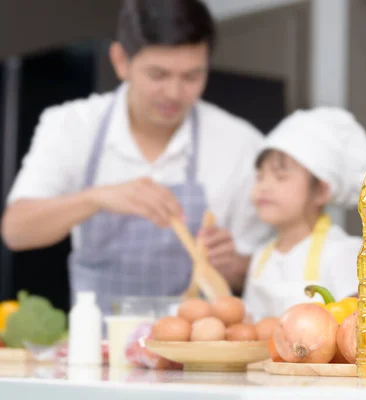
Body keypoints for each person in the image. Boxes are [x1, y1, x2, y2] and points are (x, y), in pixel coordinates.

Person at [1, 0, 269, 314]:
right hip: (96, 349)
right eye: (158, 74)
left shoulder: (241, 143)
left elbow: (266, 266)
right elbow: (16, 230)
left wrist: (236, 265)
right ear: (120, 60)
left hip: (196, 347)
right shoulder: (71, 125)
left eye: (192, 76)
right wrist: (96, 198)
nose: (173, 92)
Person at [242, 108, 366, 320]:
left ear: (321, 190)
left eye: (280, 176)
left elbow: (355, 328)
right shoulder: (261, 257)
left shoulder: (343, 253)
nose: (264, 186)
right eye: (260, 176)